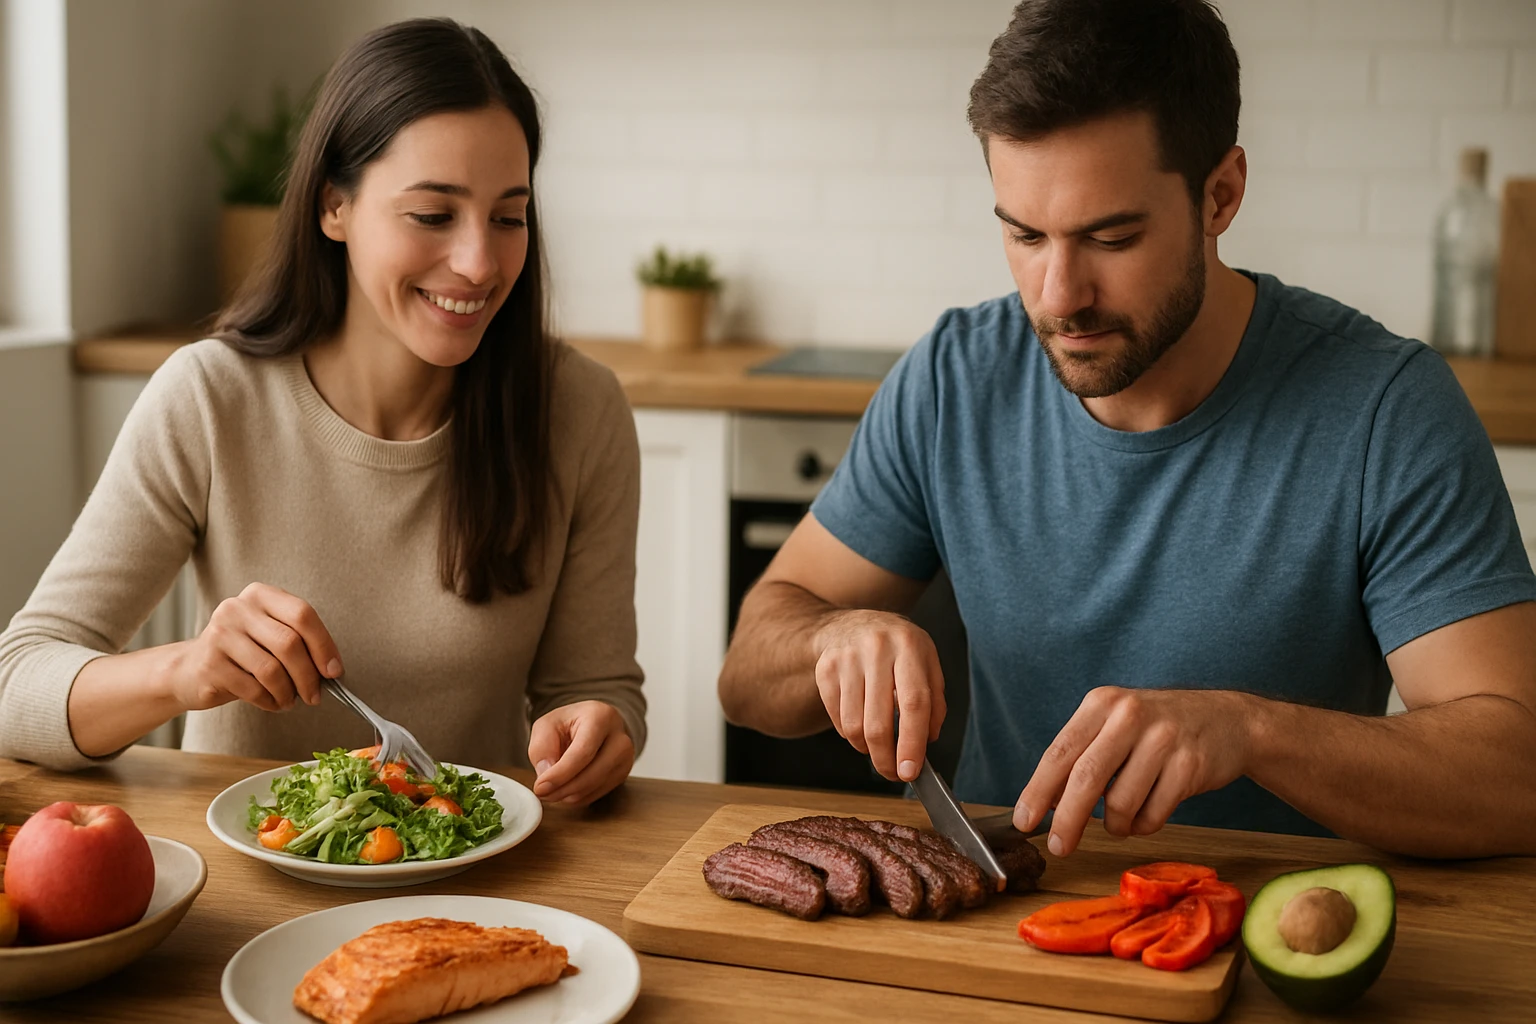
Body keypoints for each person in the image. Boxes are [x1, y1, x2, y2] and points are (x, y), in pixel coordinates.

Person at [718, 0, 1536, 858]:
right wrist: (830, 638)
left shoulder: (1383, 407)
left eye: (1110, 237)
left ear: (1220, 196)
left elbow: (1514, 774)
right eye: (1024, 234)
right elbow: (746, 676)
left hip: (1254, 942)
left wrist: (1251, 732)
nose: (1058, 294)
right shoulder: (953, 378)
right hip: (1001, 926)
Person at [0, 18, 644, 808]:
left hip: (474, 885)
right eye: (434, 215)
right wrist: (187, 669)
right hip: (244, 879)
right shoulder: (210, 398)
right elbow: (17, 685)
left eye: (508, 216)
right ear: (334, 207)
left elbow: (597, 688)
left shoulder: (579, 411)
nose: (480, 262)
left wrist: (597, 728)